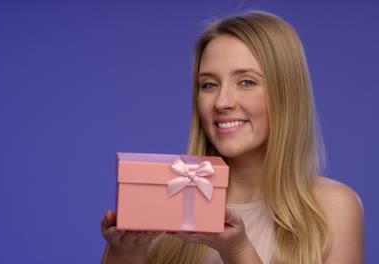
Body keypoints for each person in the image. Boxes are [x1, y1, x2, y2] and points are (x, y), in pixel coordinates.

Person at [100, 10, 364, 264]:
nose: (222, 102)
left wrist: (237, 251)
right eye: (209, 85)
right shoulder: (171, 195)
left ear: (286, 93)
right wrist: (125, 254)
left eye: (247, 82)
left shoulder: (332, 209)